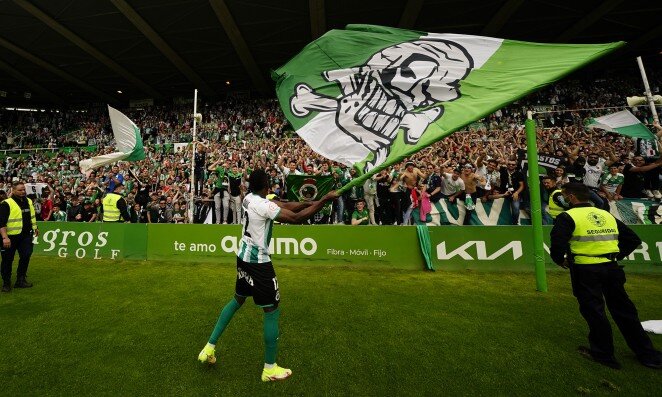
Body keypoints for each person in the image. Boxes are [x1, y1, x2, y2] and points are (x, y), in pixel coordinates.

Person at [198, 169, 337, 382]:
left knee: (237, 299)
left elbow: (285, 206)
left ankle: (208, 348)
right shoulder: (263, 205)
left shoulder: (249, 199)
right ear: (267, 186)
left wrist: (314, 201)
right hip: (259, 263)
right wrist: (325, 200)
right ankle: (269, 369)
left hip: (243, 257)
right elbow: (296, 218)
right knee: (271, 310)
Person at [550, 183, 662, 369]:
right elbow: (632, 239)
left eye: (563, 196)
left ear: (571, 197)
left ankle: (604, 354)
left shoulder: (567, 216)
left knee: (595, 312)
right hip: (612, 268)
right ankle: (648, 355)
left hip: (585, 270)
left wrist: (560, 260)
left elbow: (557, 246)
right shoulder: (606, 214)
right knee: (625, 312)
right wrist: (614, 256)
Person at [0, 181, 39, 292]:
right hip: (10, 237)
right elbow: (1, 222)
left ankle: (20, 280)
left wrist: (35, 227)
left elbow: (31, 216)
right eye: (20, 190)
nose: (23, 192)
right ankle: (6, 283)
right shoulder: (6, 203)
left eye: (23, 190)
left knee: (26, 256)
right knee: (7, 260)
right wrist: (4, 237)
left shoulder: (29, 201)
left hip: (26, 235)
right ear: (13, 190)